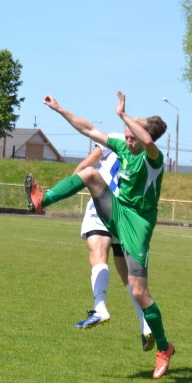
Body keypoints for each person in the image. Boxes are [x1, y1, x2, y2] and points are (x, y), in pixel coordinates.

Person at [25, 91, 175, 379]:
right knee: (91, 174)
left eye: (131, 137)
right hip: (118, 211)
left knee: (139, 291)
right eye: (126, 136)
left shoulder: (153, 158)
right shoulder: (123, 145)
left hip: (139, 224)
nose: (127, 140)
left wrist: (123, 115)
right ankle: (42, 200)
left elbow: (144, 140)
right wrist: (59, 109)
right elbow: (89, 128)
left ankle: (163, 348)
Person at [72, 134, 155, 352]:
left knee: (97, 255)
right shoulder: (146, 153)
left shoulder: (115, 139)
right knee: (126, 272)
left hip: (103, 204)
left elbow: (85, 166)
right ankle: (145, 323)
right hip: (125, 212)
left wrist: (69, 184)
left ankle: (100, 307)